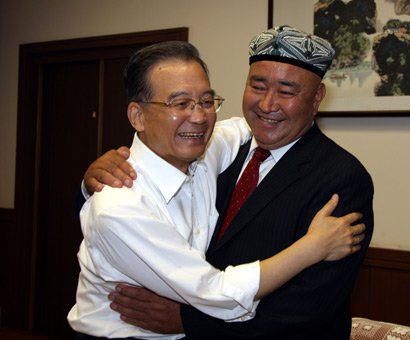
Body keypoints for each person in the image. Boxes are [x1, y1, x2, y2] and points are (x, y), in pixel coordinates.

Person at [69, 40, 366, 340]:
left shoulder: (339, 177)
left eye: (206, 102)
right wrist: (88, 185)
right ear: (137, 116)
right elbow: (215, 291)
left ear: (317, 98)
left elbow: (305, 311)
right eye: (258, 87)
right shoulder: (125, 198)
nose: (266, 105)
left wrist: (189, 322)